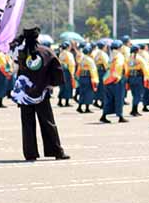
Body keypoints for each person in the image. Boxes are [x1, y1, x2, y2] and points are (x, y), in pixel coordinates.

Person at [11, 27, 69, 162]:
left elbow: (12, 49)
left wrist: (20, 40)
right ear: (38, 37)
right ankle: (56, 151)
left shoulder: (20, 53)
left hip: (24, 94)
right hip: (41, 92)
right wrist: (51, 84)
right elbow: (57, 70)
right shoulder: (46, 52)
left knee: (27, 124)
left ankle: (30, 154)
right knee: (48, 123)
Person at [101, 40, 128, 124]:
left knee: (108, 99)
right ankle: (120, 116)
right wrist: (117, 77)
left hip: (107, 79)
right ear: (120, 47)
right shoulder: (120, 56)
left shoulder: (110, 55)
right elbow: (118, 66)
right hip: (116, 80)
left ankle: (104, 115)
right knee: (119, 98)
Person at [74, 44, 99, 114]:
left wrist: (77, 76)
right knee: (88, 93)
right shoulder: (90, 60)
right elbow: (93, 70)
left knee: (82, 93)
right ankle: (87, 108)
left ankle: (79, 107)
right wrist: (95, 80)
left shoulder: (82, 59)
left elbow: (79, 69)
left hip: (82, 78)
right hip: (88, 78)